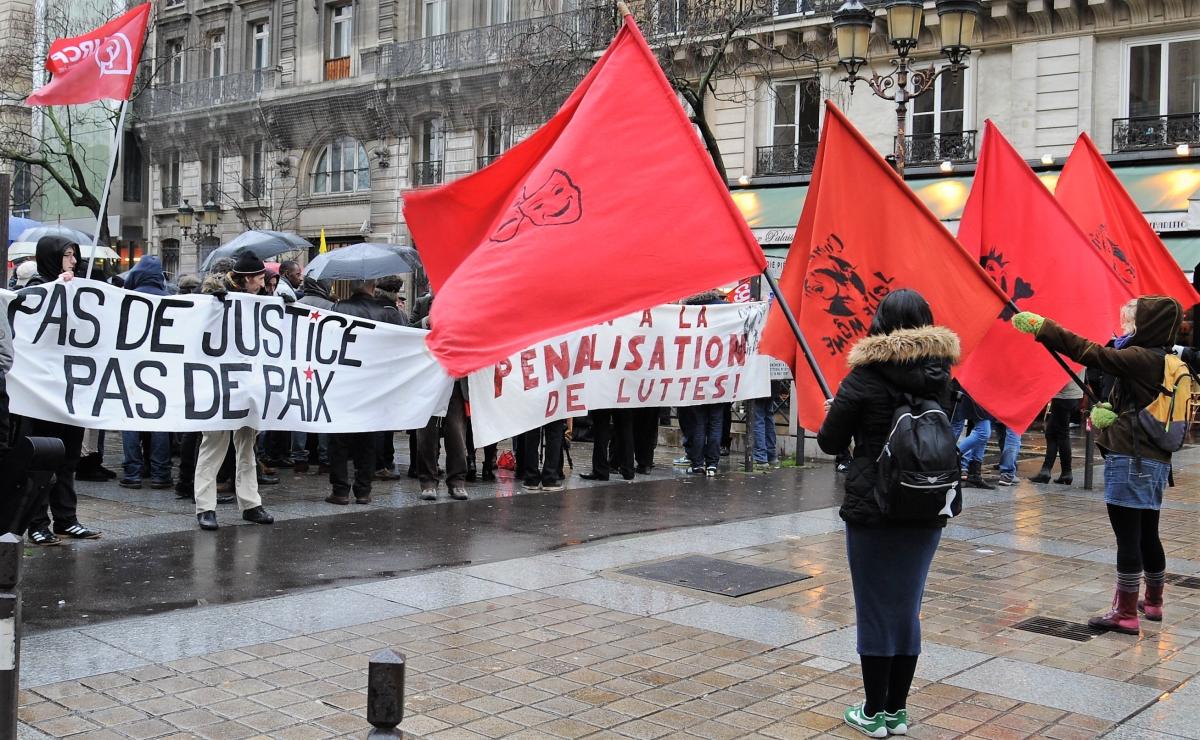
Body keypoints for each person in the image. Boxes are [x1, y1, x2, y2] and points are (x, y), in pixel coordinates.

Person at [817, 289, 957, 738]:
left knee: (875, 609)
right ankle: (897, 711)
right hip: (926, 503)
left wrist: (835, 415)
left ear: (881, 323)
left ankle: (873, 712)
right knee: (906, 607)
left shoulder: (863, 377)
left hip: (874, 506)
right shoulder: (941, 376)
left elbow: (830, 442)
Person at [1013, 297, 1181, 634]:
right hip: (1157, 459)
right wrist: (1115, 414)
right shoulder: (1167, 359)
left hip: (1131, 456)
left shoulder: (1139, 356)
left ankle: (1126, 613)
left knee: (1128, 538)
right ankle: (1154, 602)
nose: (1128, 325)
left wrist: (1045, 328)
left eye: (1135, 319)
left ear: (1148, 324)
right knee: (1149, 533)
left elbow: (1090, 352)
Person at [19, 236, 102, 544]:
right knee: (42, 461)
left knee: (67, 460)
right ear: (52, 257)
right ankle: (37, 523)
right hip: (41, 393)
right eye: (67, 255)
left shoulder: (77, 289)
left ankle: (66, 519)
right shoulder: (36, 289)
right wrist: (57, 288)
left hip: (71, 389)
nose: (72, 261)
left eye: (74, 255)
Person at [193, 251, 275, 531]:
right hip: (219, 383)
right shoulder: (212, 299)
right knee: (213, 445)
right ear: (247, 278)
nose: (263, 285)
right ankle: (205, 506)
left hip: (249, 382)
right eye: (260, 279)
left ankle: (251, 503)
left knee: (247, 446)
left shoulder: (260, 300)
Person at [324, 279, 405, 504]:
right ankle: (363, 490)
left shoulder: (339, 308)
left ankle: (340, 490)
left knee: (339, 440)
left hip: (344, 382)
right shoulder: (387, 313)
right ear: (372, 287)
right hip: (373, 384)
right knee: (368, 439)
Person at [118, 256, 174, 490]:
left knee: (130, 419)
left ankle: (133, 472)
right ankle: (161, 473)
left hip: (131, 368)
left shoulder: (125, 300)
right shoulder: (172, 301)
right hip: (164, 370)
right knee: (160, 421)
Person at [1030, 380, 1083, 484]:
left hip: (1062, 396)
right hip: (1074, 395)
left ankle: (1060, 472)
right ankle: (1056, 471)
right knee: (1054, 433)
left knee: (1059, 435)